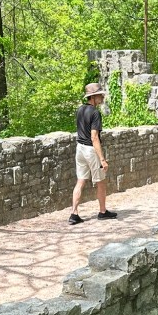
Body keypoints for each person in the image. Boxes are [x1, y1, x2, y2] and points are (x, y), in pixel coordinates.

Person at [69, 82, 118, 225]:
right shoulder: (95, 113)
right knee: (101, 182)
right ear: (93, 97)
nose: (102, 97)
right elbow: (94, 137)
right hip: (91, 150)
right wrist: (102, 159)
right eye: (100, 95)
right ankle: (103, 212)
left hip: (80, 148)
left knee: (81, 181)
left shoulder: (80, 110)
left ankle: (74, 214)